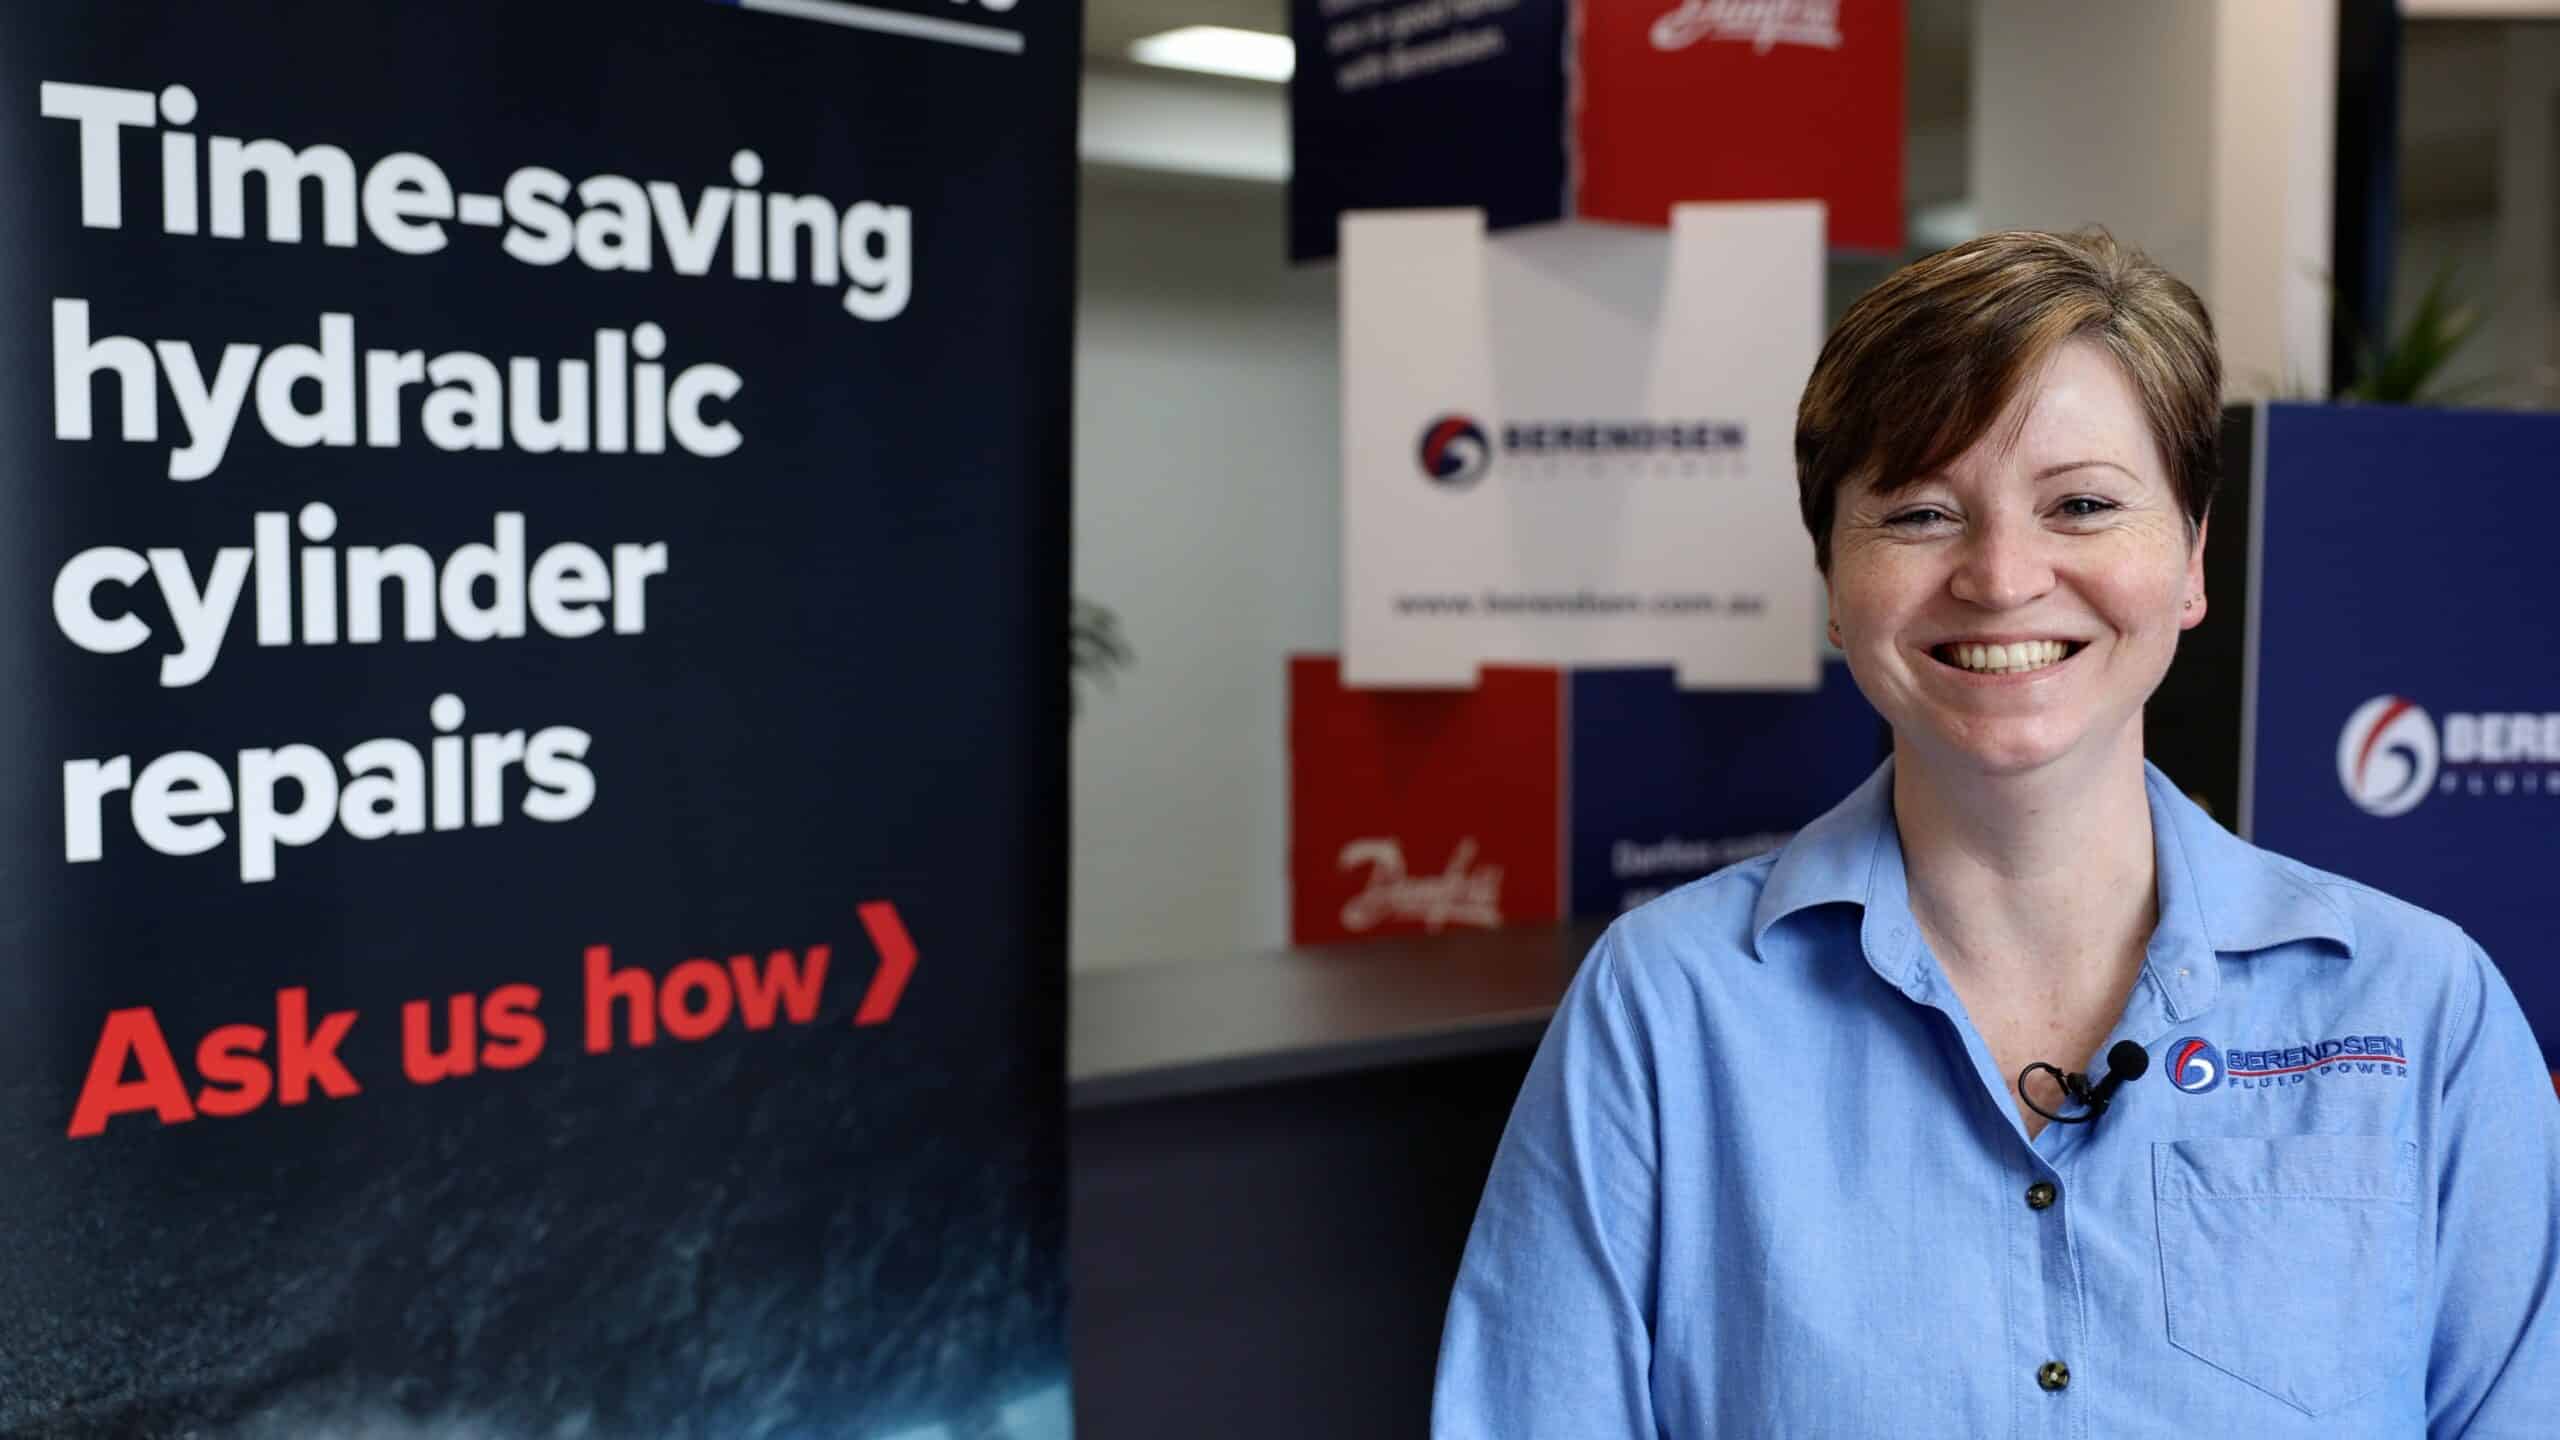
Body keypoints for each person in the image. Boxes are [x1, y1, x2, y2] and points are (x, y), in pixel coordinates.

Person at [1430, 228, 2560, 1435]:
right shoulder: (1665, 1013)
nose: (2002, 575)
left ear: (2190, 557)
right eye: (1920, 513)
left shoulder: (2421, 1010)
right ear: (1832, 581)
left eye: (2081, 505)